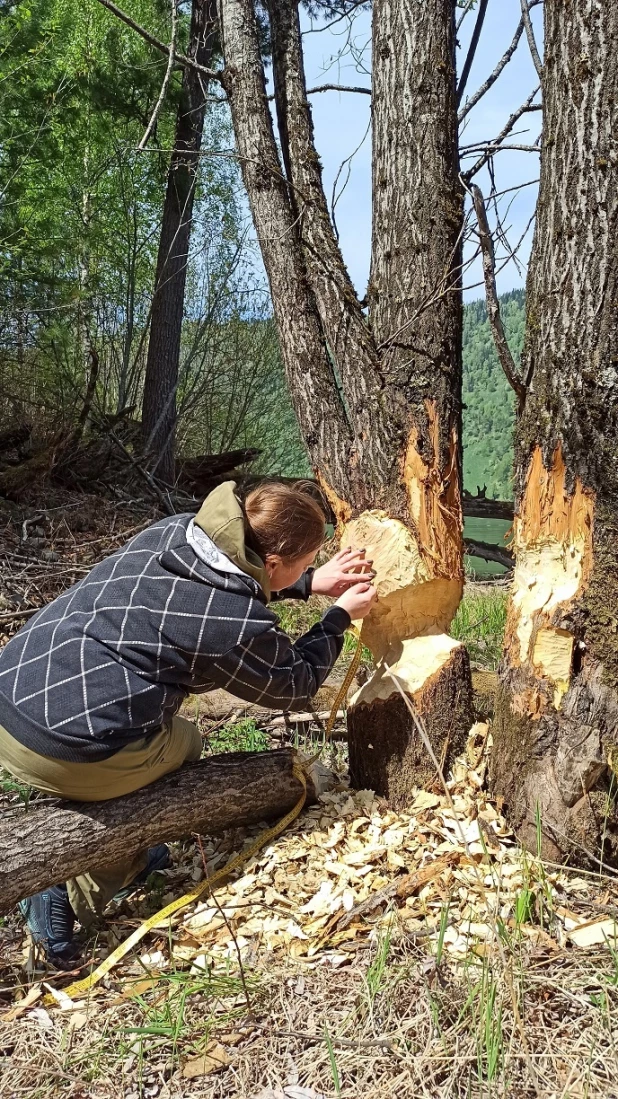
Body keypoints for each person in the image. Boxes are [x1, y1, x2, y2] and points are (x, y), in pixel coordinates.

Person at [0, 480, 376, 967]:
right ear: (275, 564)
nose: (309, 571)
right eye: (305, 564)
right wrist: (336, 620)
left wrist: (307, 584)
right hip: (59, 746)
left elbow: (220, 584)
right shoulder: (232, 620)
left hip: (13, 694)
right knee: (184, 744)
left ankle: (110, 832)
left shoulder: (178, 531)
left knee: (142, 743)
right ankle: (78, 890)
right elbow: (293, 684)